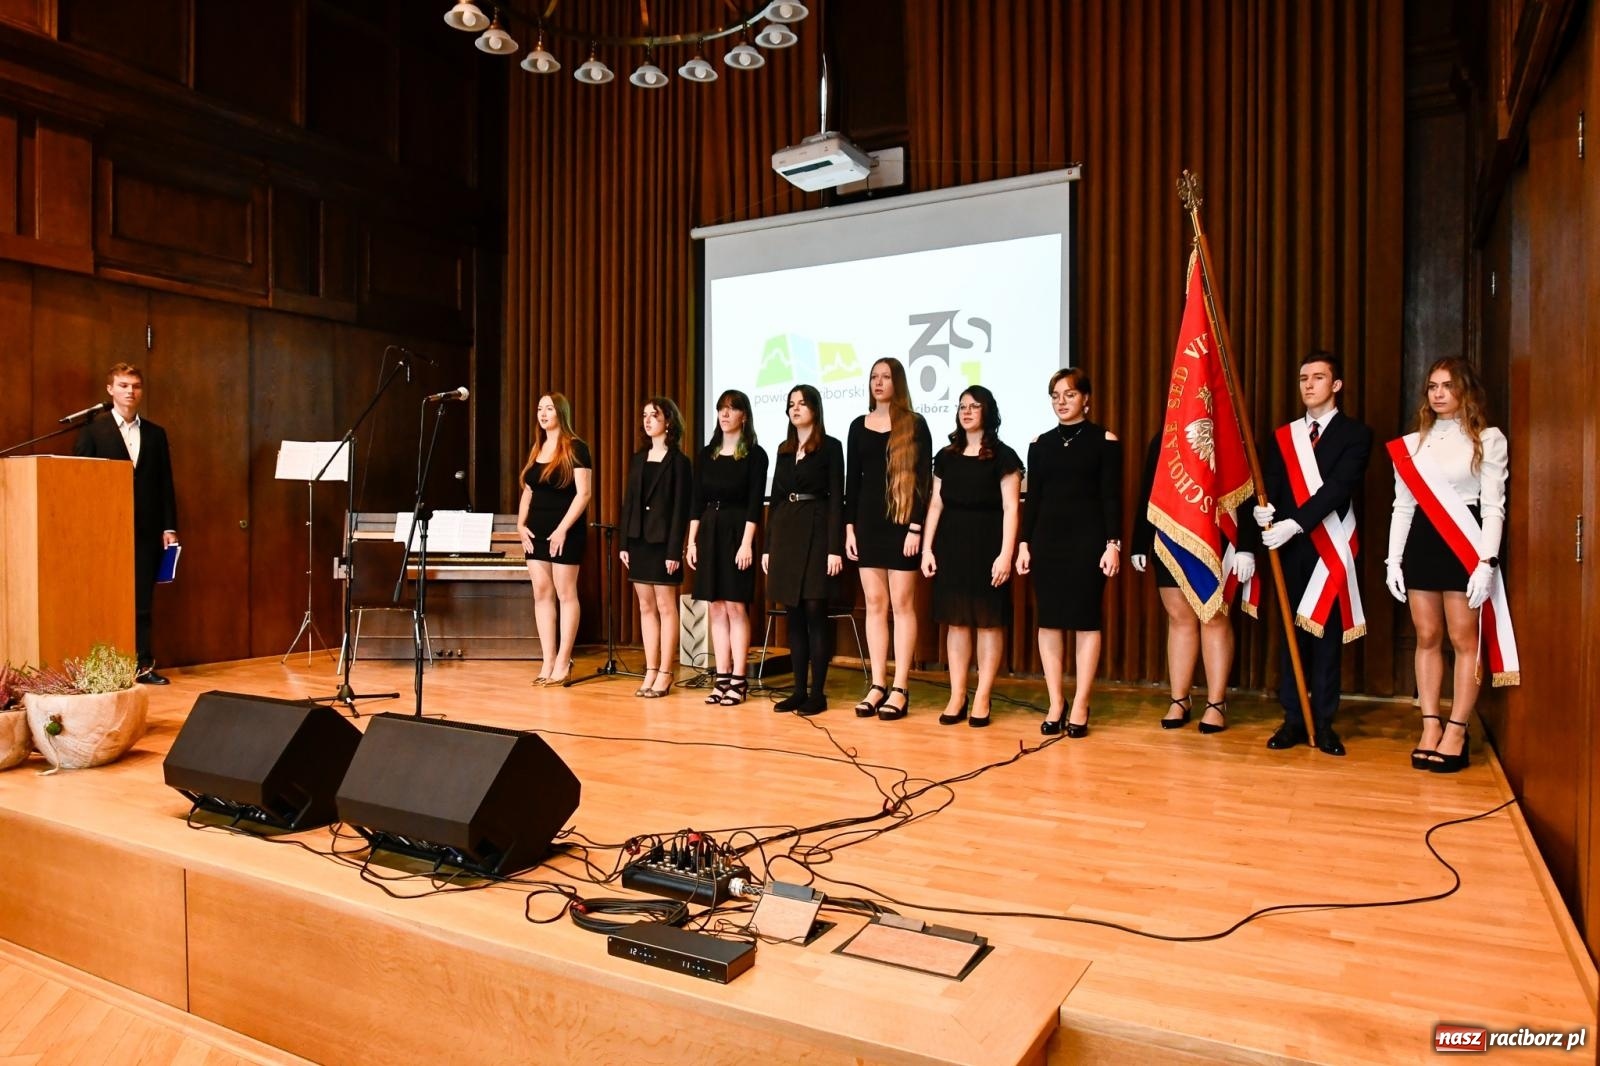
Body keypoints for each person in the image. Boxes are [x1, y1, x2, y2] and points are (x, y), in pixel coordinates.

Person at [1384, 357, 1515, 773]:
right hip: (1423, 542)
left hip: (1465, 542)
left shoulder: (1488, 439)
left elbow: (1493, 507)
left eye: (1447, 385)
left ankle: (1457, 729)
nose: (1438, 393)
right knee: (1426, 636)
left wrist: (1486, 562)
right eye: (1433, 386)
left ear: (1465, 390)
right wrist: (1393, 560)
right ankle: (1430, 726)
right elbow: (1403, 507)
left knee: (1463, 639)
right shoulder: (1412, 444)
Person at [1253, 351, 1374, 757]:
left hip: (1330, 547)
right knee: (1291, 635)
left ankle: (1323, 722)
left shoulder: (1356, 434)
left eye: (1318, 377)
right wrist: (1265, 511)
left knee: (1325, 637)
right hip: (1289, 549)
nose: (1308, 384)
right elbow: (1272, 483)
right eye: (1304, 377)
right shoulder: (1283, 435)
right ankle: (1293, 717)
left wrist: (1296, 522)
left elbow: (1339, 488)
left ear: (1336, 385)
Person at [1017, 368, 1123, 737]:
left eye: (1070, 394)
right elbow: (1034, 500)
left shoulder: (1104, 441)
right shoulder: (1040, 444)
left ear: (1086, 399)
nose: (1061, 402)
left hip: (1088, 543)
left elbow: (1111, 497)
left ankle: (1080, 703)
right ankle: (1055, 702)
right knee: (1048, 622)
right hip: (1047, 542)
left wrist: (1113, 544)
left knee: (1085, 621)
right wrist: (1024, 543)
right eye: (1055, 396)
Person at [1131, 432, 1259, 733]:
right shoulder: (1165, 436)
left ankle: (1216, 703)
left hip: (1217, 537)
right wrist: (1140, 542)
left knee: (1214, 616)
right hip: (1171, 537)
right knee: (1179, 617)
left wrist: (1246, 545)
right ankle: (1179, 700)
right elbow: (1151, 490)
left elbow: (1246, 491)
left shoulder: (1232, 433)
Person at [919, 387, 1023, 727]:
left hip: (988, 547)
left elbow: (1011, 508)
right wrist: (927, 548)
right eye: (962, 406)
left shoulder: (1004, 456)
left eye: (974, 406)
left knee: (988, 621)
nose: (966, 411)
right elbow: (936, 504)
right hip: (951, 546)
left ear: (987, 412)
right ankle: (958, 694)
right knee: (957, 621)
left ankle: (983, 695)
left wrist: (1006, 554)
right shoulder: (946, 456)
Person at [74, 362, 178, 684]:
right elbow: (79, 482)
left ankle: (142, 666)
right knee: (105, 599)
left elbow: (165, 483)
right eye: (123, 385)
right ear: (110, 390)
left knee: (142, 602)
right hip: (104, 530)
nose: (130, 391)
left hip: (146, 529)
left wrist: (169, 527)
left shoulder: (156, 434)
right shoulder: (92, 431)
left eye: (135, 386)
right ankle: (103, 669)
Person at [845, 357, 933, 721]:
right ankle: (878, 683)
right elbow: (853, 481)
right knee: (875, 603)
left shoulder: (915, 424)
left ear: (897, 382)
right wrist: (849, 528)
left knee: (902, 604)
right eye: (873, 377)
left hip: (901, 525)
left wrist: (915, 527)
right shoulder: (857, 425)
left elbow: (923, 480)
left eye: (885, 377)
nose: (878, 382)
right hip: (868, 525)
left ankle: (900, 687)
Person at [762, 384, 844, 716]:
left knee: (814, 612)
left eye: (802, 403)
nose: (795, 408)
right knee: (793, 615)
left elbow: (836, 500)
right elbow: (775, 500)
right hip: (785, 533)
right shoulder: (783, 449)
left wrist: (834, 548)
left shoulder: (831, 447)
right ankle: (798, 691)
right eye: (791, 404)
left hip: (816, 531)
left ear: (815, 409)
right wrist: (767, 547)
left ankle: (817, 693)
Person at [686, 390, 769, 707]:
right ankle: (721, 677)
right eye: (721, 408)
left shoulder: (755, 455)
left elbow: (754, 504)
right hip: (709, 529)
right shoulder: (706, 454)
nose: (724, 414)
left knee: (735, 606)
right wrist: (691, 541)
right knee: (716, 607)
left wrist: (747, 544)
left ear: (743, 416)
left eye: (731, 409)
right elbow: (696, 501)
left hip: (737, 532)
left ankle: (738, 679)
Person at [516, 393, 592, 685]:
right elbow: (529, 490)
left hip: (565, 531)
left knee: (565, 593)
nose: (543, 413)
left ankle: (563, 660)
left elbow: (583, 494)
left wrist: (562, 529)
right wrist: (520, 525)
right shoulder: (538, 447)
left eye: (549, 408)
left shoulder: (576, 447)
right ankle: (547, 660)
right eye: (540, 409)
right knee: (541, 594)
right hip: (535, 532)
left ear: (561, 412)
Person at [620, 398, 693, 698]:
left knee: (665, 607)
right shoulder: (638, 459)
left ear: (669, 421)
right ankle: (650, 669)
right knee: (645, 607)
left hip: (664, 544)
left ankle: (665, 671)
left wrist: (675, 550)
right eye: (645, 415)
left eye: (655, 415)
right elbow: (629, 502)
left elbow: (680, 510)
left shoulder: (680, 462)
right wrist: (624, 542)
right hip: (638, 540)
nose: (648, 420)